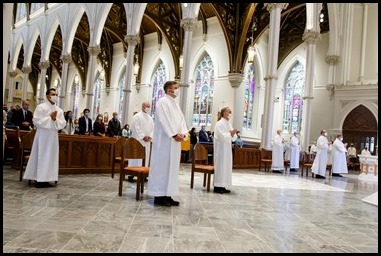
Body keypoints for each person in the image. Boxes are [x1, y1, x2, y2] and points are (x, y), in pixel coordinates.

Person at [147, 80, 188, 207]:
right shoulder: (162, 102)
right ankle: (159, 196)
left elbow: (182, 121)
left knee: (172, 169)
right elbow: (164, 120)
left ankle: (168, 194)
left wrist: (183, 133)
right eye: (176, 88)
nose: (177, 90)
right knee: (162, 169)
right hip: (164, 143)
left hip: (175, 143)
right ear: (169, 90)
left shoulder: (175, 105)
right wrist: (174, 134)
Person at [23, 88, 66, 188]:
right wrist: (49, 118)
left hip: (53, 137)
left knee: (51, 157)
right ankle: (39, 179)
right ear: (48, 96)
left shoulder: (59, 110)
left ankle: (49, 178)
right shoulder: (40, 107)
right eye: (53, 94)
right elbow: (36, 121)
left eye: (56, 94)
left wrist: (55, 119)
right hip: (42, 136)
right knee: (41, 155)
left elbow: (62, 124)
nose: (55, 96)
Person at [127, 101, 154, 182]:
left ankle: (144, 174)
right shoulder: (137, 116)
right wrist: (143, 136)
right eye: (147, 106)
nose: (148, 108)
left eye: (149, 107)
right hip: (138, 141)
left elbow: (153, 128)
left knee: (145, 158)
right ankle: (131, 174)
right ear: (143, 106)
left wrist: (150, 136)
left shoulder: (150, 118)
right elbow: (135, 128)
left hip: (147, 142)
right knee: (135, 157)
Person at [213, 107, 237, 194]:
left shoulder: (229, 124)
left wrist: (233, 134)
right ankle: (217, 186)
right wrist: (230, 134)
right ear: (224, 113)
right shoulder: (219, 124)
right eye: (229, 111)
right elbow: (220, 136)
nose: (230, 113)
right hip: (221, 148)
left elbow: (234, 137)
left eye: (231, 112)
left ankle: (223, 185)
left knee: (226, 166)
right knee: (220, 166)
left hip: (227, 148)